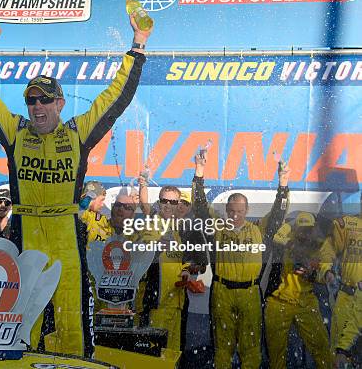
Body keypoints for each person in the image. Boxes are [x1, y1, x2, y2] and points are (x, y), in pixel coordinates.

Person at [0, 14, 151, 357]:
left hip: (66, 233)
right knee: (22, 322)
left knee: (71, 323)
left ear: (59, 104)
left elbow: (116, 98)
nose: (37, 107)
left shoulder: (77, 133)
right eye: (31, 100)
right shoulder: (15, 131)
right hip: (27, 232)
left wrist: (137, 46)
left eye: (45, 100)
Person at [193, 153, 290, 369]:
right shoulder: (217, 227)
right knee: (222, 350)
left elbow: (278, 214)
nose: (236, 215)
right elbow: (199, 207)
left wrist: (283, 185)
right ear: (226, 211)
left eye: (240, 211)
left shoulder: (259, 229)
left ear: (246, 210)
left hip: (250, 294)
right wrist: (199, 173)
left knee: (251, 349)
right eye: (232, 211)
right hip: (222, 292)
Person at [136, 184, 207, 352]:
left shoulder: (179, 230)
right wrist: (155, 247)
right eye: (164, 201)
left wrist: (188, 270)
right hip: (155, 304)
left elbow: (185, 260)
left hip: (177, 303)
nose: (168, 205)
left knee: (173, 355)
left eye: (173, 202)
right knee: (153, 356)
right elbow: (138, 256)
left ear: (178, 205)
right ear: (159, 202)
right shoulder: (150, 225)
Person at [264, 212, 331, 369]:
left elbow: (322, 271)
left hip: (306, 301)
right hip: (280, 300)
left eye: (308, 230)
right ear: (296, 228)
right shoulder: (287, 241)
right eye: (302, 229)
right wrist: (291, 228)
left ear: (313, 229)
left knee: (321, 347)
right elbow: (276, 236)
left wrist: (319, 274)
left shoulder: (318, 247)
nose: (305, 233)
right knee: (276, 352)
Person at [319, 191, 361, 366]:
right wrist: (327, 269)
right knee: (338, 352)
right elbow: (328, 247)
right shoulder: (348, 225)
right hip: (347, 295)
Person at [79, 181, 111, 245]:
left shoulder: (102, 214)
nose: (102, 204)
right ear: (91, 197)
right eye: (101, 200)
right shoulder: (81, 215)